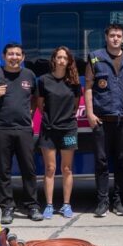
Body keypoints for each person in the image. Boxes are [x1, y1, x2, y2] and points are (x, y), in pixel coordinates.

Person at [0, 42, 42, 224]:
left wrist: (30, 113)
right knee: (3, 171)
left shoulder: (29, 75)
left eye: (18, 54)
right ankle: (6, 207)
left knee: (29, 169)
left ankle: (32, 205)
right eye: (11, 54)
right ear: (4, 56)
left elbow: (35, 98)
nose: (14, 57)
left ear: (23, 57)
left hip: (23, 129)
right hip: (0, 128)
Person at [85, 24, 123, 217]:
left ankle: (119, 201)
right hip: (101, 120)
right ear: (106, 37)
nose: (115, 39)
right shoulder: (95, 57)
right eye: (112, 35)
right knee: (102, 162)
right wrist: (90, 113)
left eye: (119, 36)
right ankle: (102, 202)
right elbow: (89, 86)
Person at [36, 46, 81, 219]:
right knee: (50, 168)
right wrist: (51, 119)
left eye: (65, 58)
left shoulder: (74, 83)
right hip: (48, 130)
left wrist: (64, 118)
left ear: (69, 61)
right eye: (59, 57)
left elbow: (75, 106)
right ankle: (48, 205)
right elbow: (40, 105)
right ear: (54, 59)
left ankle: (66, 205)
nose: (62, 60)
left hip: (68, 130)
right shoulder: (43, 80)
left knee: (67, 168)